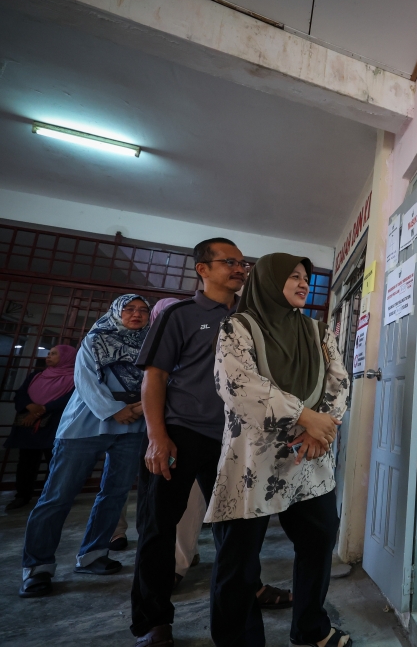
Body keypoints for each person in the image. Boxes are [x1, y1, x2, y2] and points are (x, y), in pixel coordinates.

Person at [208, 253, 350, 647]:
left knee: (319, 540)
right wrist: (305, 417)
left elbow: (339, 381)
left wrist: (321, 427)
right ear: (269, 281)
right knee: (238, 560)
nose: (303, 283)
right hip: (253, 459)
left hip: (309, 457)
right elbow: (238, 387)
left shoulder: (317, 330)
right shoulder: (238, 326)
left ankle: (310, 628)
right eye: (292, 276)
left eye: (306, 277)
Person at [130, 239, 250, 647]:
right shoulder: (180, 315)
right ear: (203, 269)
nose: (238, 268)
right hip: (181, 435)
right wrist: (157, 437)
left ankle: (246, 599)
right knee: (158, 529)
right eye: (229, 262)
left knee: (238, 530)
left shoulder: (249, 319)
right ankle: (154, 621)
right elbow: (155, 377)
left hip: (234, 441)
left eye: (241, 263)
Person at [19, 295, 150, 598]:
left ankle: (93, 555)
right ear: (116, 312)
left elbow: (156, 380)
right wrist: (115, 410)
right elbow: (86, 381)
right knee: (58, 496)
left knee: (115, 493)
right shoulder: (95, 339)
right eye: (129, 309)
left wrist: (141, 408)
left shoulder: (150, 343)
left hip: (133, 425)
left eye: (143, 310)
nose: (136, 314)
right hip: (86, 425)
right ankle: (37, 568)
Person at [111, 297, 183, 552]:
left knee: (163, 489)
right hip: (125, 422)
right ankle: (115, 534)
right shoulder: (136, 340)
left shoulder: (185, 341)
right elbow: (152, 378)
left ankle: (178, 552)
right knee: (119, 483)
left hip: (168, 424)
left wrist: (142, 406)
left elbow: (176, 382)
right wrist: (119, 409)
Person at [5, 345, 77, 512]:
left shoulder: (74, 378)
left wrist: (44, 409)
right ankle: (22, 495)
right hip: (29, 425)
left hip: (55, 425)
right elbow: (21, 394)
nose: (48, 356)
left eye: (53, 354)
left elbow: (70, 400)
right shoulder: (36, 376)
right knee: (26, 463)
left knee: (56, 463)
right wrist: (30, 406)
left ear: (66, 357)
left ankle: (53, 497)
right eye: (49, 353)